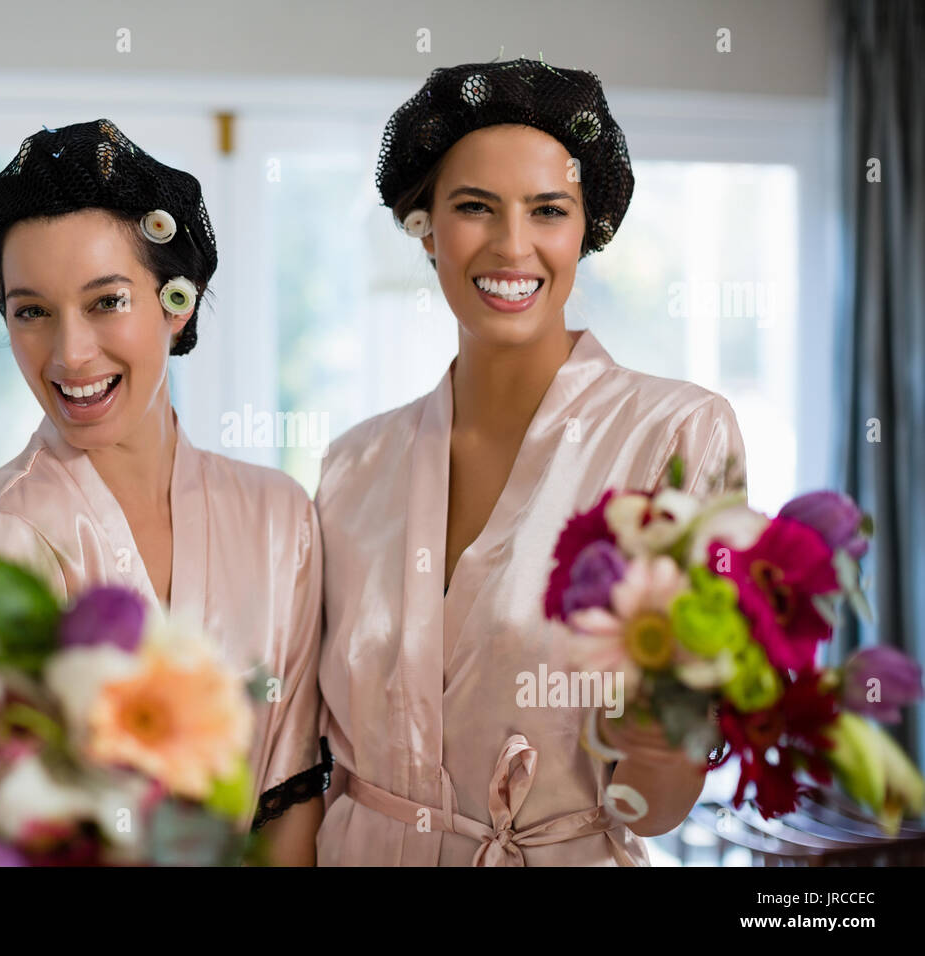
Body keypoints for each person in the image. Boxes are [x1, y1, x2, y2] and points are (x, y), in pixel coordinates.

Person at [315, 59, 748, 866]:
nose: (513, 245)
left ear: (588, 228)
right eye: (474, 208)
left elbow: (654, 810)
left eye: (548, 210)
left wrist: (661, 741)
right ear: (426, 227)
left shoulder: (677, 435)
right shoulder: (350, 468)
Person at [0, 119, 330, 864]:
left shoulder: (281, 521)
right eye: (32, 312)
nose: (70, 353)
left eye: (106, 301)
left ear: (176, 305)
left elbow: (290, 791)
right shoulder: (4, 530)